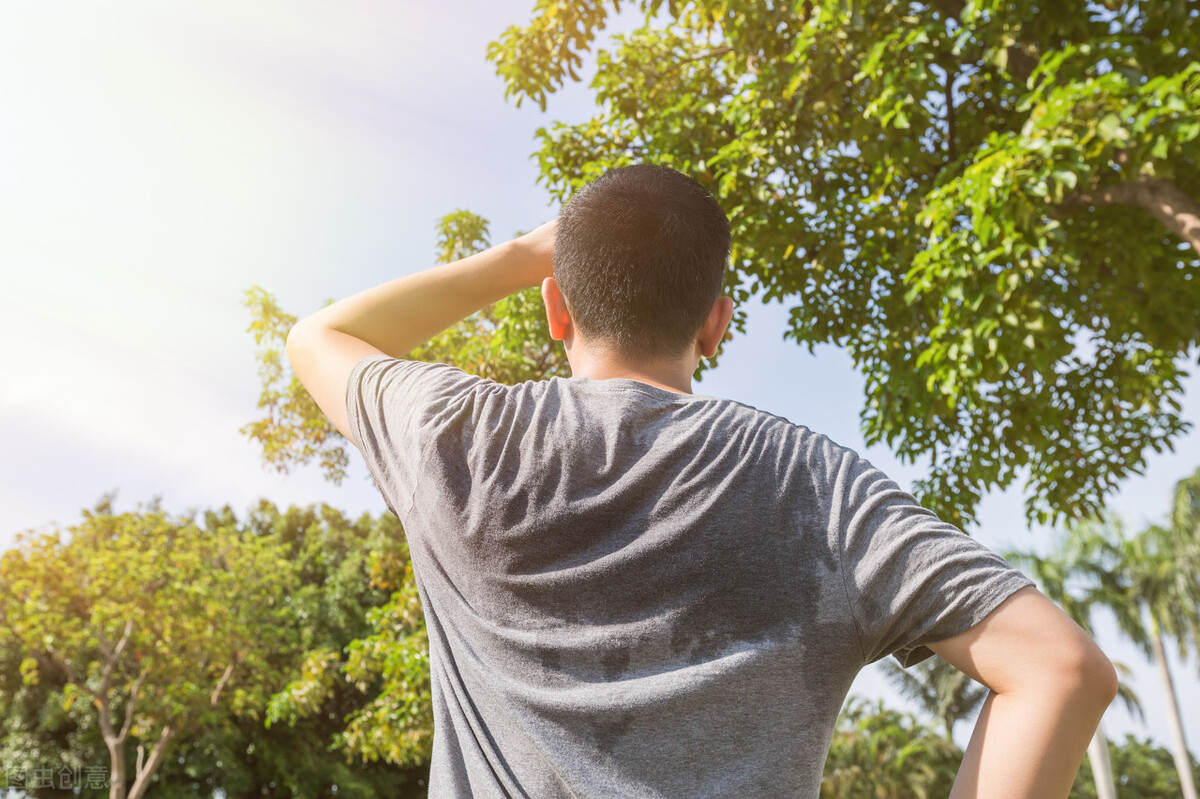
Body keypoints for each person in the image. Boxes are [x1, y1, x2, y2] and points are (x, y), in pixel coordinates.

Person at [286, 164, 1118, 798]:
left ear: (556, 309)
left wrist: (527, 254)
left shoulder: (457, 436)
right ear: (716, 322)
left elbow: (320, 336)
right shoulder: (817, 486)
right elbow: (1062, 669)